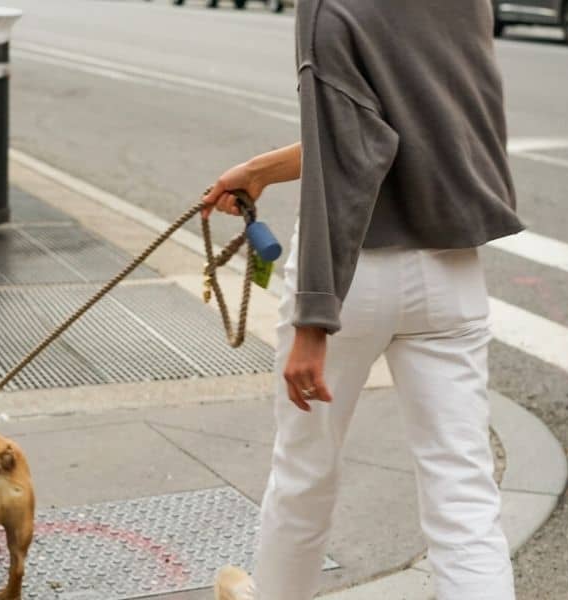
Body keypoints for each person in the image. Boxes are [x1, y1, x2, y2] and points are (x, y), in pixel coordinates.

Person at [203, 1, 524, 599]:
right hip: (449, 270)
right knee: (464, 494)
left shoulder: (328, 6)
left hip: (351, 274)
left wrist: (312, 321)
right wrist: (263, 169)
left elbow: (350, 157)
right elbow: (396, 129)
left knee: (304, 475)